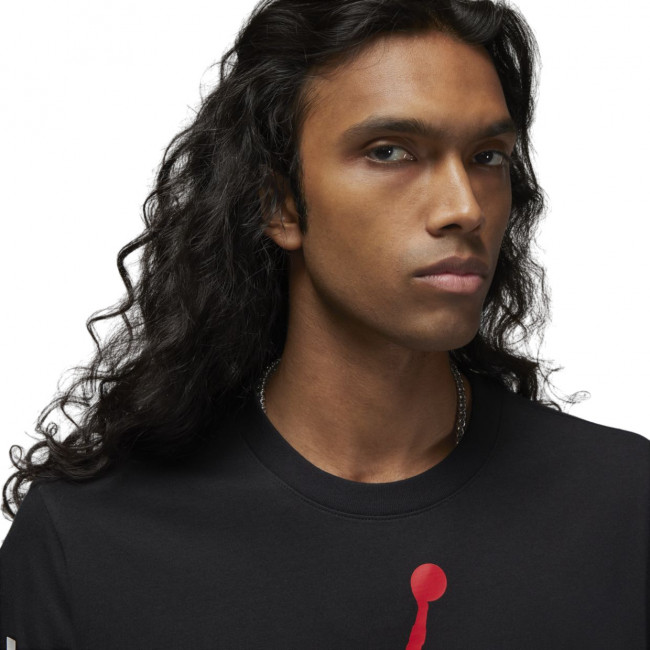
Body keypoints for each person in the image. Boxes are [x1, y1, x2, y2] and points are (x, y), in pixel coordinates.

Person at [1, 0, 648, 647]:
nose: (464, 207)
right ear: (279, 204)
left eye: (488, 157)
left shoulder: (625, 508)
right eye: (390, 151)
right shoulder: (88, 539)